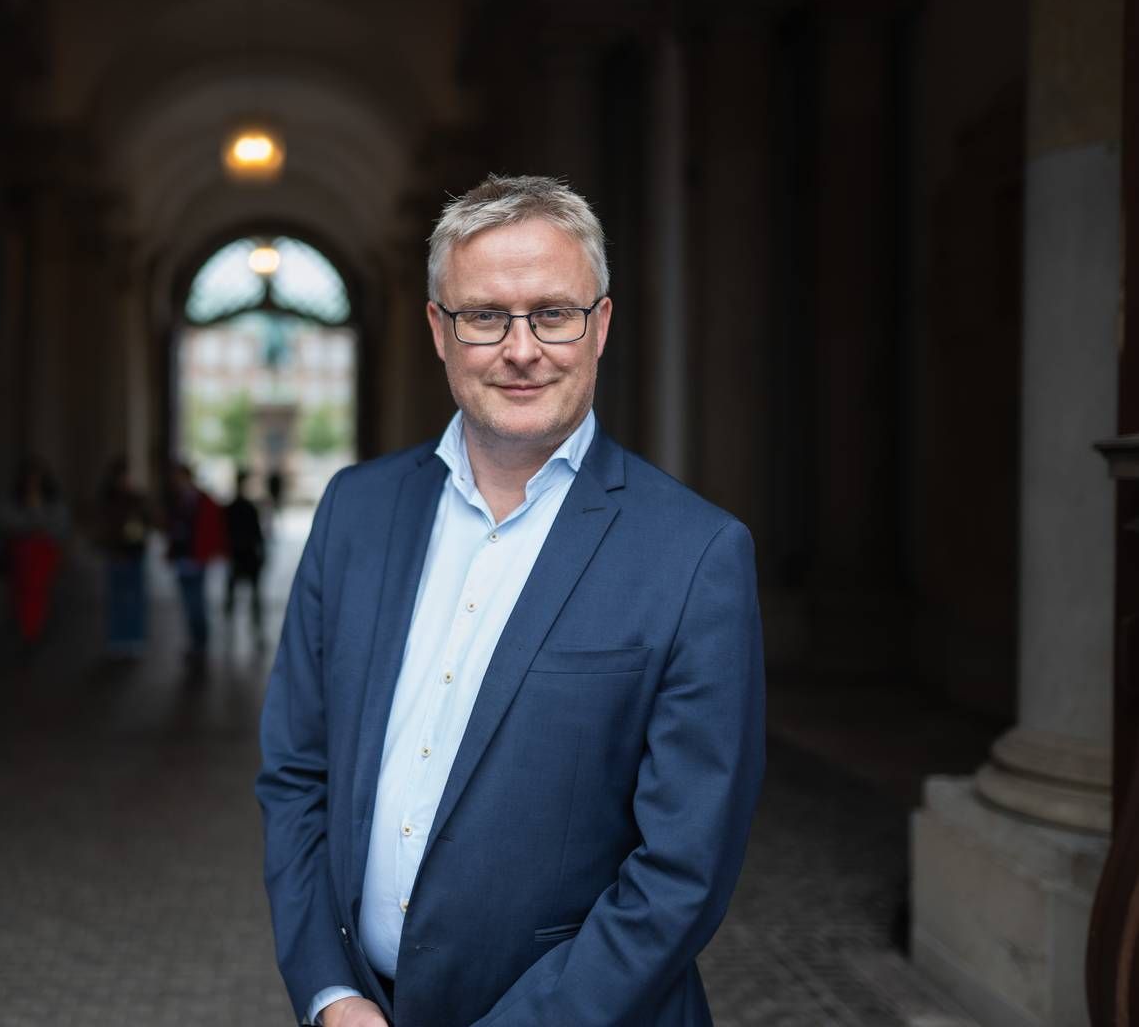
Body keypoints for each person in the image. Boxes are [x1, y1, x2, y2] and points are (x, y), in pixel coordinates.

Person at [256, 175, 765, 1026]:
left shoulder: (696, 553)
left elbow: (683, 870)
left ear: (601, 325)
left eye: (554, 314)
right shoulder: (354, 511)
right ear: (438, 330)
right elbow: (295, 776)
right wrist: (331, 991)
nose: (521, 349)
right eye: (485, 316)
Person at [0, 456, 71, 646]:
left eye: (37, 477)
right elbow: (8, 522)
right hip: (23, 550)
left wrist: (38, 519)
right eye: (30, 477)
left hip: (44, 551)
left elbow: (59, 524)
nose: (33, 481)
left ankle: (34, 629)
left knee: (39, 591)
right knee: (23, 591)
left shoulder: (52, 501)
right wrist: (31, 522)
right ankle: (27, 629)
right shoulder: (15, 500)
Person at [164, 461, 227, 665]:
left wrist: (209, 552)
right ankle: (195, 642)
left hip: (196, 558)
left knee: (196, 603)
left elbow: (211, 528)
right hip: (183, 558)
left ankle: (200, 643)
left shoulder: (202, 501)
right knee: (188, 603)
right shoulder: (178, 501)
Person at [98, 457, 150, 659]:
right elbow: (103, 528)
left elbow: (148, 521)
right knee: (117, 600)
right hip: (117, 555)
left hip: (134, 554)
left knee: (135, 599)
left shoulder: (136, 499)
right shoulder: (109, 501)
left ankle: (134, 637)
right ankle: (117, 638)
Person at [224, 466, 267, 643]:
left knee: (238, 593)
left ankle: (235, 626)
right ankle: (254, 627)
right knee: (250, 594)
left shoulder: (234, 508)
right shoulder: (246, 508)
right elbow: (258, 535)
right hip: (244, 555)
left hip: (241, 555)